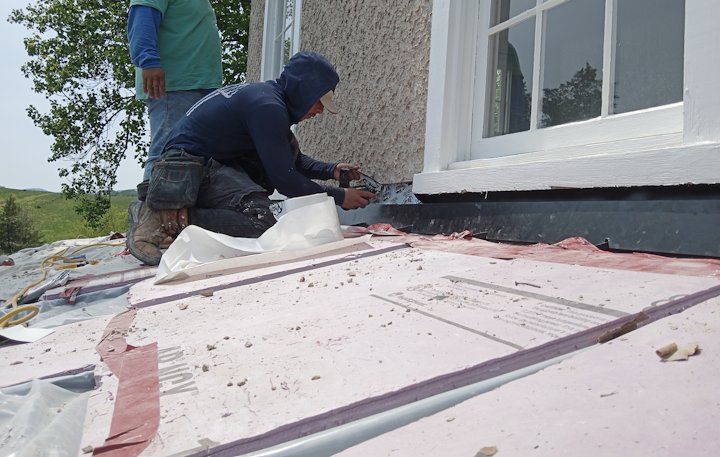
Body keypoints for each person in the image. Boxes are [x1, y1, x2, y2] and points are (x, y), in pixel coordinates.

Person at [127, 51, 376, 265]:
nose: (320, 110)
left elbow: (288, 160)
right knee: (259, 222)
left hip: (196, 165)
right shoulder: (267, 108)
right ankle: (163, 218)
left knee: (269, 184)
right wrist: (341, 197)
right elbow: (286, 181)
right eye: (319, 101)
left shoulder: (266, 99)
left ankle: (176, 217)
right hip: (188, 167)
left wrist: (331, 170)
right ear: (303, 90)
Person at [126, 0, 223, 197]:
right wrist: (149, 61)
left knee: (189, 160)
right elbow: (142, 16)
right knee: (166, 157)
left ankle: (176, 223)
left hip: (197, 85)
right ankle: (150, 221)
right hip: (175, 85)